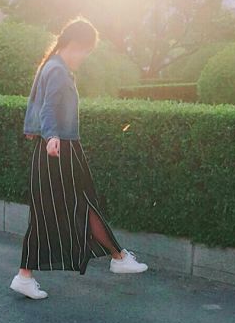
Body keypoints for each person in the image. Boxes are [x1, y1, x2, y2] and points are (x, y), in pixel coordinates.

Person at [10, 16, 148, 299]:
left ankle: (116, 257)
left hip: (55, 148)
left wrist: (44, 135)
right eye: (85, 50)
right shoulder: (57, 70)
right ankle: (118, 257)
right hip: (60, 149)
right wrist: (51, 136)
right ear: (73, 44)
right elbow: (48, 108)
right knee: (78, 206)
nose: (85, 57)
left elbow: (39, 106)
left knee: (56, 210)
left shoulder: (51, 65)